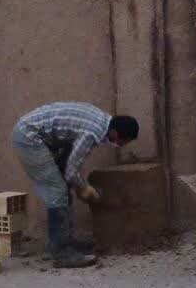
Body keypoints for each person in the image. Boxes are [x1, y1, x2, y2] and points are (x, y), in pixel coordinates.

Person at [12, 102, 139, 268]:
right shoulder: (92, 132)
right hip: (29, 137)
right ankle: (62, 253)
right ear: (115, 132)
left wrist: (78, 184)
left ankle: (66, 241)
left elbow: (70, 161)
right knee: (57, 191)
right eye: (123, 142)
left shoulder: (102, 120)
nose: (121, 146)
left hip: (43, 134)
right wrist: (84, 187)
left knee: (64, 185)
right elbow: (72, 171)